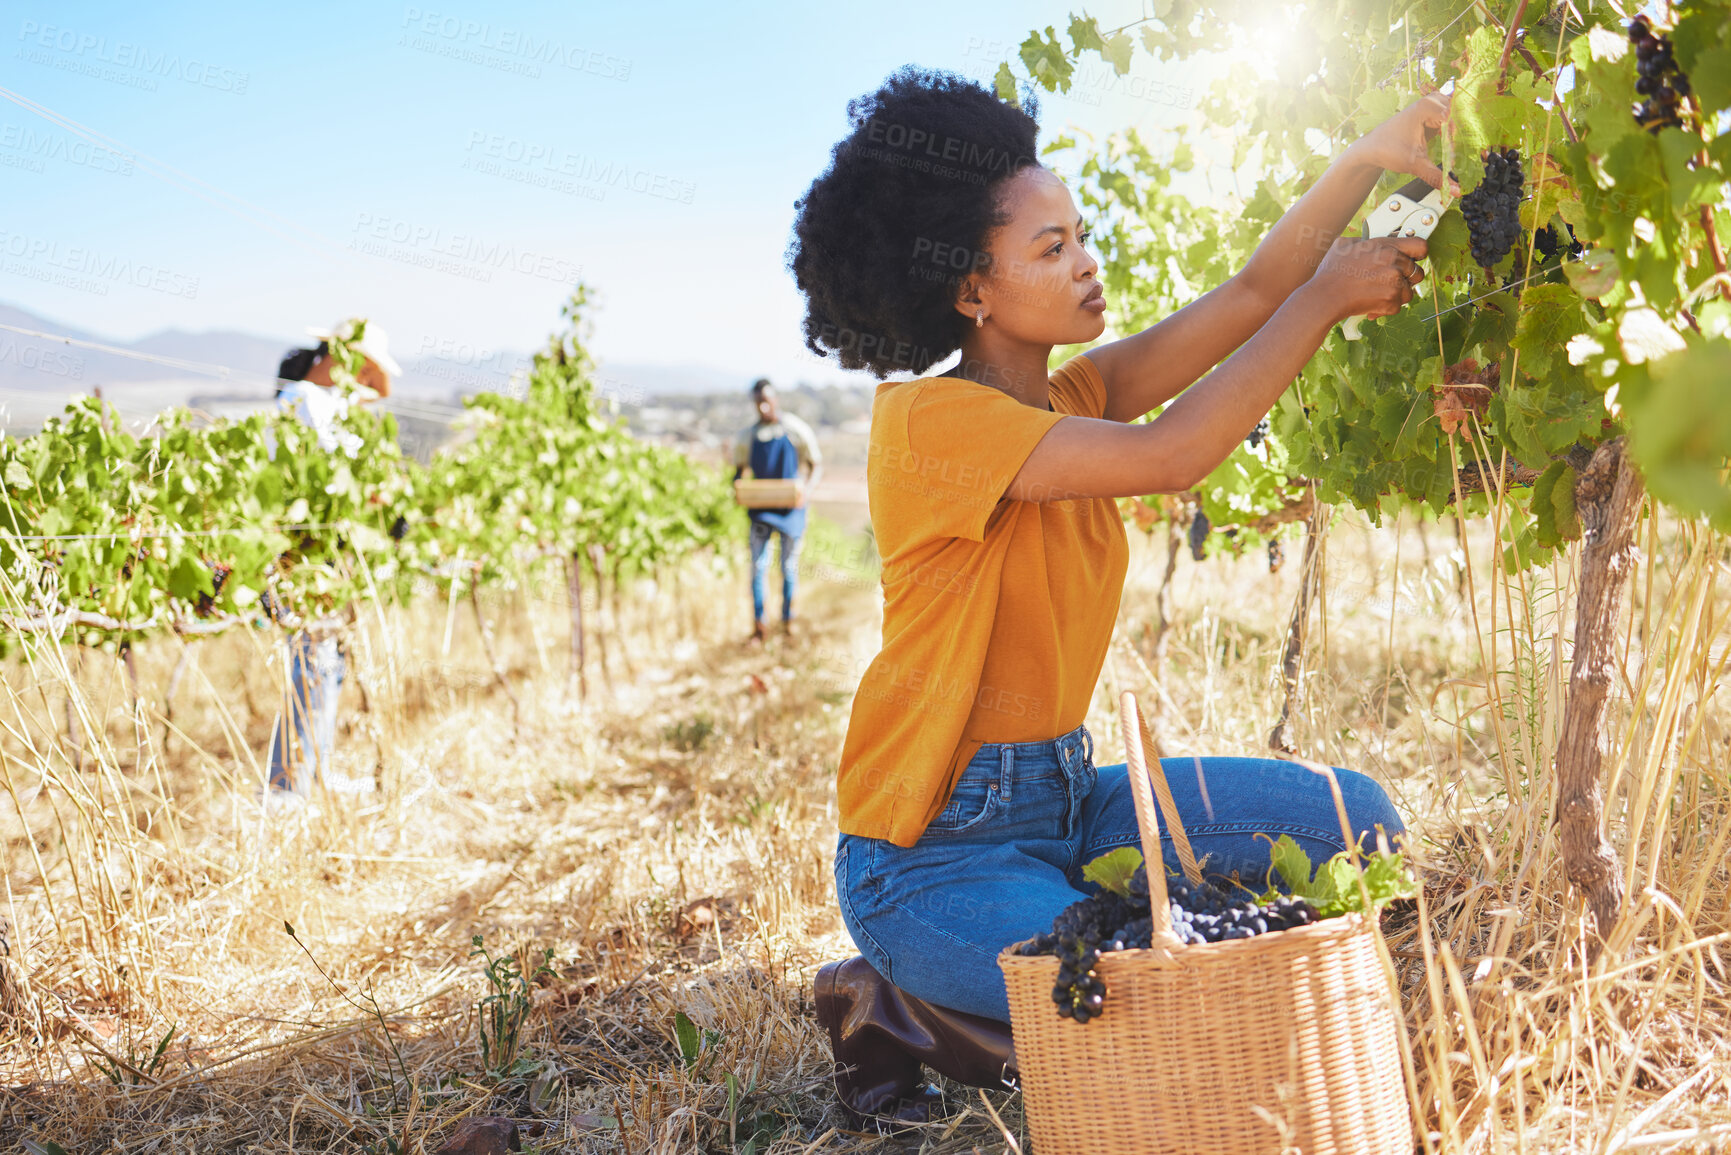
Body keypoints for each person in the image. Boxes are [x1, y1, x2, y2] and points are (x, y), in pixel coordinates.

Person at [789, 67, 1444, 1119]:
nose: (1088, 262)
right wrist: (1331, 298)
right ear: (970, 290)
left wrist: (1363, 161)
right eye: (1051, 249)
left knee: (1360, 828)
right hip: (931, 857)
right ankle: (894, 1005)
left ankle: (1057, 945)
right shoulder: (929, 426)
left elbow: (1248, 296)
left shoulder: (1070, 392)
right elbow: (1174, 453)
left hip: (1071, 798)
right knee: (1137, 990)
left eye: (1080, 234)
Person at [265, 318, 400, 805]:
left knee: (325, 668)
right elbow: (338, 477)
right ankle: (285, 797)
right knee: (312, 670)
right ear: (346, 361)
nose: (366, 387)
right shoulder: (305, 401)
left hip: (321, 559)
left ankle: (313, 778)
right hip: (300, 558)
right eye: (365, 374)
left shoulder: (319, 402)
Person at [731, 378, 822, 642]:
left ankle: (788, 623)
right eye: (758, 402)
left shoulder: (794, 429)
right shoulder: (747, 437)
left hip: (791, 510)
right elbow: (738, 473)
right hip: (761, 511)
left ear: (775, 400)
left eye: (766, 401)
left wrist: (805, 490)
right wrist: (738, 490)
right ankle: (760, 627)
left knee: (788, 567)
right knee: (758, 568)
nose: (762, 407)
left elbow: (815, 464)